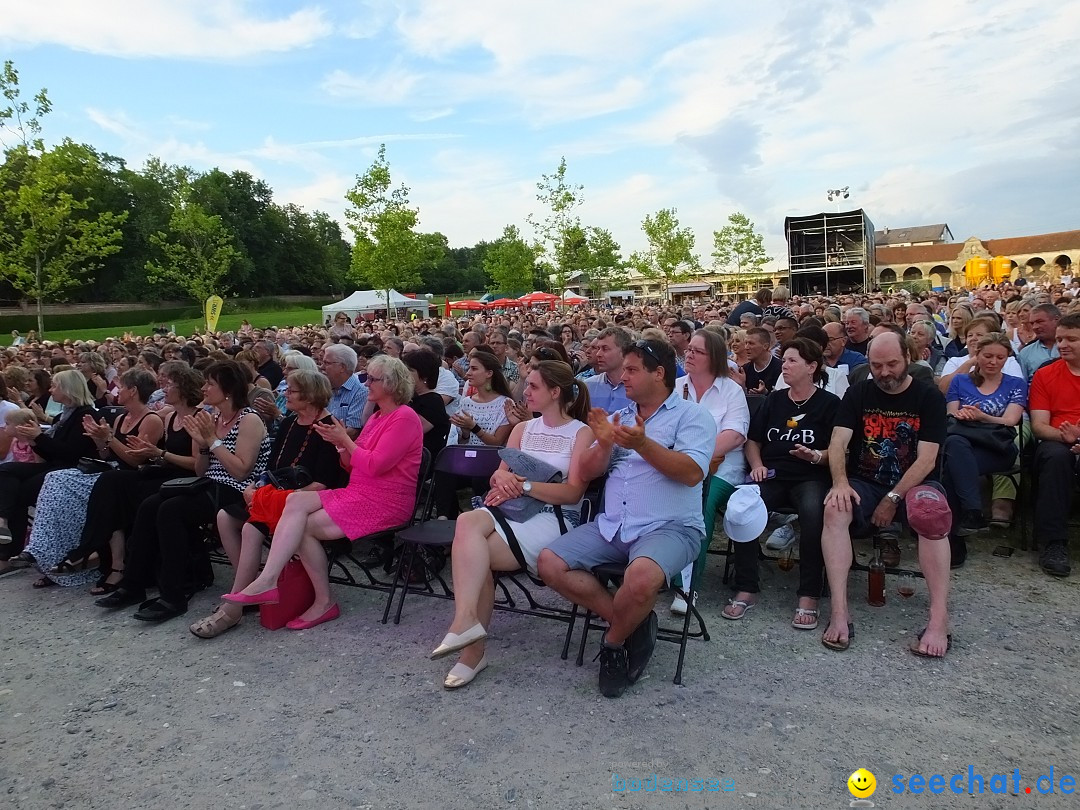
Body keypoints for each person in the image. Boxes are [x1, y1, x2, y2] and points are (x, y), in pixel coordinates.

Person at [537, 339, 716, 697]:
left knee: (640, 578)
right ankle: (635, 621)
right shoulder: (620, 418)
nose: (624, 376)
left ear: (659, 374)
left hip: (671, 527)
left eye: (633, 370)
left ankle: (614, 643)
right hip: (614, 525)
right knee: (549, 563)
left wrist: (642, 445)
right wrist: (604, 443)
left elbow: (693, 473)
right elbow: (584, 473)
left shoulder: (692, 417)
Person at [222, 356, 423, 630]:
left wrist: (345, 442)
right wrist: (340, 446)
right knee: (295, 503)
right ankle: (273, 581)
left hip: (386, 501)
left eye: (372, 379)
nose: (366, 383)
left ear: (391, 384)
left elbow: (375, 465)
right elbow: (351, 464)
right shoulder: (377, 417)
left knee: (301, 523)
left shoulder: (404, 417)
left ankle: (315, 598)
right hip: (360, 492)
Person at [431, 361, 594, 689]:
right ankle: (467, 624)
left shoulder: (581, 432)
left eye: (532, 386)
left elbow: (574, 491)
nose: (525, 392)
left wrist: (524, 486)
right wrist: (502, 477)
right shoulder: (523, 429)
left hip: (555, 517)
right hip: (510, 510)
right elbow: (498, 474)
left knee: (473, 553)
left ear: (555, 392)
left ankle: (472, 647)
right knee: (467, 524)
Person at [96, 361, 271, 623]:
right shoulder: (213, 418)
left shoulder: (249, 420)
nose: (204, 388)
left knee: (171, 510)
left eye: (210, 383)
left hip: (239, 491)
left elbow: (241, 471)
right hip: (210, 484)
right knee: (150, 504)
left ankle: (174, 594)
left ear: (228, 390)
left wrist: (212, 441)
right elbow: (202, 470)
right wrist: (203, 446)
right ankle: (133, 584)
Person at [820, 332, 951, 657]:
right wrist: (839, 482)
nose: (884, 372)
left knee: (931, 515)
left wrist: (893, 498)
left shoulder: (928, 396)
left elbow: (927, 459)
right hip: (865, 480)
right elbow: (838, 443)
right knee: (834, 509)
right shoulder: (859, 392)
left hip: (915, 484)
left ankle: (938, 618)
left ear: (908, 357)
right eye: (877, 365)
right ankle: (840, 612)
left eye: (892, 364)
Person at [190, 369, 344, 638]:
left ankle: (234, 606)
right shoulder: (289, 423)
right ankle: (246, 591)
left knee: (250, 528)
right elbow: (273, 467)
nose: (286, 394)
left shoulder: (329, 427)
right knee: (228, 517)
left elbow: (324, 483)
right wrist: (257, 486)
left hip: (309, 499)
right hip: (280, 495)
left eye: (293, 391)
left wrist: (274, 495)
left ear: (309, 396)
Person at [15, 369, 164, 588]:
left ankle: (74, 551)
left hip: (133, 477)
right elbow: (106, 455)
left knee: (62, 482)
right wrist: (99, 440)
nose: (117, 390)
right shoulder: (122, 416)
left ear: (132, 391)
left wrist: (109, 438)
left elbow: (134, 462)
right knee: (55, 480)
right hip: (111, 472)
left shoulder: (150, 420)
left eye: (121, 387)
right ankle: (44, 550)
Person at [74, 361, 202, 595]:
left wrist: (157, 453)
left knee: (125, 491)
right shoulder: (170, 418)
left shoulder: (192, 417)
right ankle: (109, 558)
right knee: (111, 481)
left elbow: (195, 464)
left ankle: (107, 558)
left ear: (183, 388)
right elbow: (137, 457)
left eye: (169, 384)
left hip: (186, 480)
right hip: (165, 473)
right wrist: (101, 440)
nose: (163, 388)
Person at [743, 338, 838, 628]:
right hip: (773, 474)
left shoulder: (829, 404)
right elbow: (753, 441)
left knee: (813, 514)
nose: (784, 365)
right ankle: (746, 585)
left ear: (812, 367)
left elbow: (839, 450)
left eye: (792, 360)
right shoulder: (774, 400)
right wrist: (757, 464)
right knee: (744, 509)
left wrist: (816, 456)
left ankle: (809, 593)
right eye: (783, 360)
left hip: (810, 475)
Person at [670, 329, 748, 615]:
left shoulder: (731, 391)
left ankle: (687, 586)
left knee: (699, 502)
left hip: (721, 469)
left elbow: (735, 435)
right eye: (688, 349)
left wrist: (694, 457)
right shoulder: (675, 388)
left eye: (697, 351)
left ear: (713, 357)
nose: (689, 354)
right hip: (676, 466)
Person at [0, 370, 98, 556]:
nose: (51, 390)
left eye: (55, 386)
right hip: (54, 465)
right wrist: (33, 440)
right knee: (5, 471)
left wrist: (39, 437)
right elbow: (49, 451)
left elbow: (71, 454)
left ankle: (10, 550)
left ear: (67, 389)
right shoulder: (64, 416)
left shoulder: (84, 415)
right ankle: (2, 522)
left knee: (18, 493)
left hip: (71, 471)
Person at [941, 332, 1025, 538]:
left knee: (952, 461)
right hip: (964, 442)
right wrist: (963, 414)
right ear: (977, 355)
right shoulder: (960, 381)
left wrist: (981, 416)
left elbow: (1010, 420)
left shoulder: (1016, 383)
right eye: (988, 356)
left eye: (1000, 357)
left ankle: (951, 534)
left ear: (1007, 358)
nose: (993, 362)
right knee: (955, 445)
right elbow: (951, 413)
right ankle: (969, 516)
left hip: (997, 445)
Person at [1029, 313, 1080, 578]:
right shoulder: (1045, 374)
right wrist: (1068, 437)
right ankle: (1053, 543)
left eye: (1071, 339)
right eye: (1060, 339)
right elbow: (1039, 426)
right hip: (1058, 440)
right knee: (1056, 458)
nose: (1062, 344)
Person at [937, 315, 1024, 393]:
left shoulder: (1009, 361)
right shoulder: (954, 361)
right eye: (970, 335)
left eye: (979, 335)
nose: (973, 338)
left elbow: (1018, 389)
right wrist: (969, 363)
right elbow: (943, 390)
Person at [403, 349, 451, 465]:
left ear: (424, 376)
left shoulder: (433, 402)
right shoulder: (410, 398)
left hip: (420, 463)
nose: (404, 374)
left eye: (409, 370)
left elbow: (407, 433)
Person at [321, 343, 368, 439]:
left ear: (342, 367)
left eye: (327, 363)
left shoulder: (360, 392)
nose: (322, 367)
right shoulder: (325, 387)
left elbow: (352, 432)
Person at [584, 327, 633, 414]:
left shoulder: (639, 388)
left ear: (624, 352)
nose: (598, 354)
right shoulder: (588, 385)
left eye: (605, 349)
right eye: (598, 348)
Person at [1017, 303, 1060, 381]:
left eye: (1040, 322)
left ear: (1056, 320)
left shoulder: (1072, 347)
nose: (1035, 327)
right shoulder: (1025, 353)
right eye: (1032, 323)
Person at [742, 327, 781, 393]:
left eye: (751, 343)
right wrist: (741, 384)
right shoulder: (744, 369)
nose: (746, 347)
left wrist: (765, 393)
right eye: (746, 343)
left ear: (765, 346)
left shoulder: (780, 368)